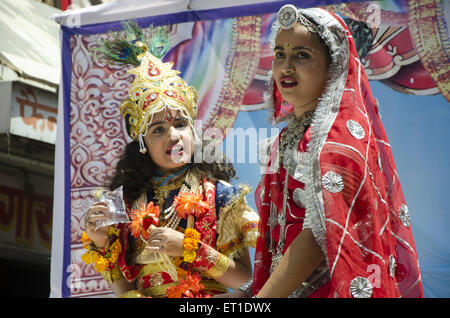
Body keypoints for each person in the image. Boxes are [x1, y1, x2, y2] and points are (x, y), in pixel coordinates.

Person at [239, 5, 424, 298]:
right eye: (279, 54)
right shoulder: (284, 139)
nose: (286, 66)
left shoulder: (339, 142)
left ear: (334, 64)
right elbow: (277, 238)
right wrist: (247, 293)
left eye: (302, 55)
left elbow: (318, 235)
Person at [81, 22, 259, 298]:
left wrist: (192, 249)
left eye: (180, 124)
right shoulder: (124, 202)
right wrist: (102, 242)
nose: (174, 136)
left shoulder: (222, 197)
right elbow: (124, 288)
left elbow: (245, 281)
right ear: (143, 144)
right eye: (158, 130)